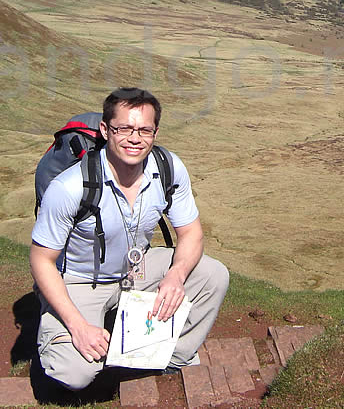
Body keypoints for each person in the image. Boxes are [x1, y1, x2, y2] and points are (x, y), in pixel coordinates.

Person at [30, 87, 229, 391]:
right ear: (105, 130)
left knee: (212, 275)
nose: (134, 138)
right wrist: (79, 326)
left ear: (155, 132)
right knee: (73, 374)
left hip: (137, 269)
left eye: (144, 130)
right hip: (80, 281)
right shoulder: (70, 187)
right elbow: (41, 260)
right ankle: (69, 335)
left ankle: (166, 358)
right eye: (124, 128)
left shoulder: (167, 169)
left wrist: (175, 276)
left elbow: (191, 233)